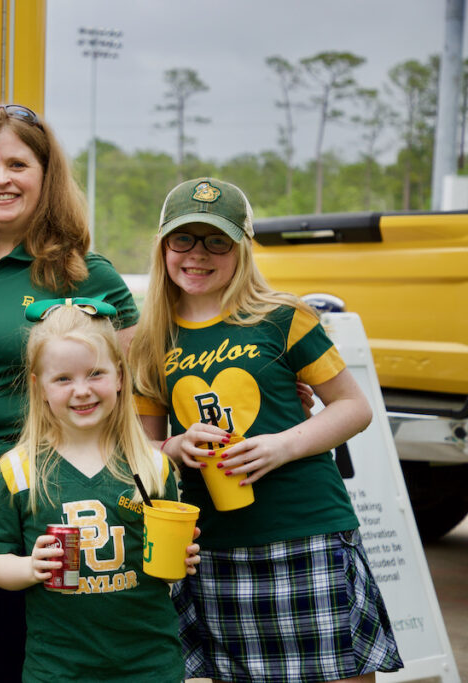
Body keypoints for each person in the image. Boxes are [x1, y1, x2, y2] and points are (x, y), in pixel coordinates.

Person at [129, 177, 403, 682]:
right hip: (212, 543)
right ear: (163, 247)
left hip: (305, 528)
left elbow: (354, 408)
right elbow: (142, 449)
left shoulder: (283, 316)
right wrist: (174, 444)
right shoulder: (151, 340)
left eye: (217, 241)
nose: (198, 254)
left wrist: (280, 446)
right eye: (182, 239)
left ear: (242, 248)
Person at [0, 104, 140, 681]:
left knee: (7, 657)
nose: (0, 180)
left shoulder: (85, 276)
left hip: (19, 504)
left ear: (46, 176)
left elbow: (136, 387)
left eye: (18, 164)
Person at [0, 300, 199, 682]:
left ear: (118, 376)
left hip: (149, 664)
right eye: (63, 379)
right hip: (58, 669)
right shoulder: (17, 471)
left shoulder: (152, 465)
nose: (81, 391)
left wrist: (181, 557)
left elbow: (168, 569)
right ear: (39, 387)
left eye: (95, 373)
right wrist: (29, 567)